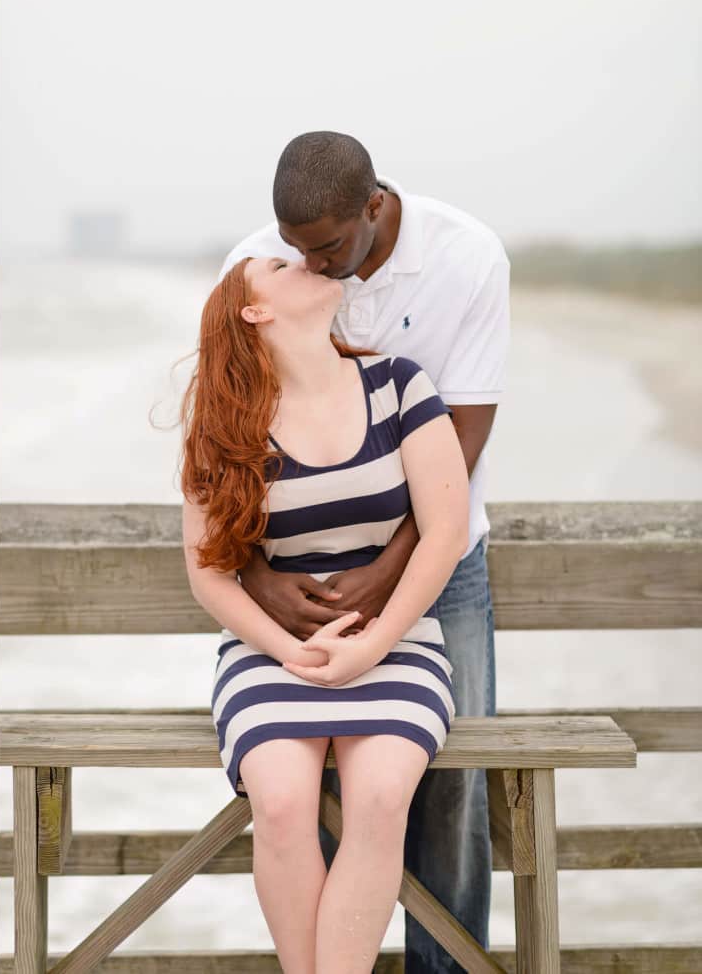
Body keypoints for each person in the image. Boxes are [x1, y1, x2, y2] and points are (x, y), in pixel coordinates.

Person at [218, 132, 509, 972]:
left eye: (327, 247)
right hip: (298, 588)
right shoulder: (264, 264)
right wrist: (257, 576)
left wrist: (391, 573)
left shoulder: (467, 256)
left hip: (436, 565)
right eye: (293, 251)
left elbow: (463, 434)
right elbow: (232, 442)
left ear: (375, 206)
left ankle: (445, 967)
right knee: (300, 792)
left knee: (450, 787)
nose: (309, 265)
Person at [181, 254, 469, 972]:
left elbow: (446, 532)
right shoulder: (220, 424)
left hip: (396, 642)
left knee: (377, 800)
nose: (303, 261)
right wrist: (287, 649)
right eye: (277, 265)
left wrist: (371, 648)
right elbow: (209, 576)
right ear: (256, 311)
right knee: (279, 804)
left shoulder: (401, 386)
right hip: (270, 653)